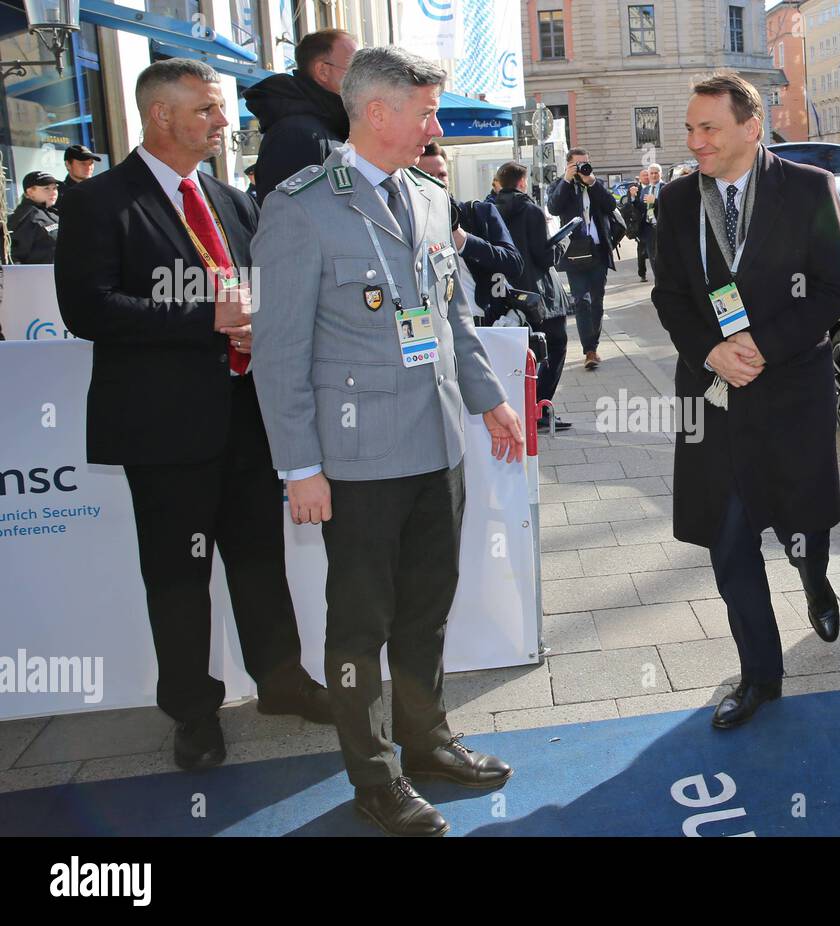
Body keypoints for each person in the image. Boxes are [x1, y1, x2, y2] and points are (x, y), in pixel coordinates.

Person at [251, 46, 525, 838]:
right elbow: (278, 354)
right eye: (426, 113)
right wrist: (301, 466)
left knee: (426, 611)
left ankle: (428, 739)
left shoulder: (430, 198)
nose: (435, 128)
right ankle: (376, 778)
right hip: (357, 460)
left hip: (437, 446)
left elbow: (452, 320)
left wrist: (490, 402)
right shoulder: (301, 207)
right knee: (360, 627)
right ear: (377, 113)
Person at [54, 59, 331, 772]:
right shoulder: (100, 201)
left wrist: (252, 326)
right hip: (163, 428)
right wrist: (207, 318)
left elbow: (254, 290)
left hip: (245, 415)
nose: (221, 122)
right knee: (179, 576)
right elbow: (87, 309)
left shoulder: (228, 199)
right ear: (160, 116)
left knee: (260, 560)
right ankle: (193, 711)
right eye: (206, 110)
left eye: (220, 109)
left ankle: (283, 682)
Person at [652, 72, 840, 730]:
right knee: (729, 541)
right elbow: (671, 297)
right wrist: (710, 352)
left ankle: (815, 575)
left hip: (791, 390)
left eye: (707, 127)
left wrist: (764, 346)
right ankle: (761, 676)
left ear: (750, 127)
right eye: (689, 128)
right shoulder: (679, 201)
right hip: (714, 398)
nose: (694, 140)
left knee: (802, 521)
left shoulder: (808, 189)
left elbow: (833, 291)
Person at [494, 160, 570, 432]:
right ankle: (539, 409)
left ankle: (520, 407)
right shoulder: (531, 211)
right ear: (523, 182)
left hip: (507, 292)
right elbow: (544, 256)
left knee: (521, 353)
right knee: (555, 346)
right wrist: (562, 242)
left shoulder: (489, 210)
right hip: (540, 294)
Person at [244, 28, 357, 194]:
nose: (363, 77)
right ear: (323, 71)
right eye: (355, 69)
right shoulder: (296, 134)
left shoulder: (328, 123)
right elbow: (290, 215)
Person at [418, 142, 523, 319]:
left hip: (483, 326)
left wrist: (464, 241)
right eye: (428, 175)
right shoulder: (407, 223)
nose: (436, 180)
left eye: (442, 174)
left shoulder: (479, 213)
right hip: (434, 328)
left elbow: (514, 264)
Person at [548, 147, 617, 370]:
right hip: (575, 252)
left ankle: (593, 346)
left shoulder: (594, 184)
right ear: (569, 165)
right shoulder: (561, 185)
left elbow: (611, 205)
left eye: (586, 163)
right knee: (581, 300)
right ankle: (589, 350)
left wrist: (593, 183)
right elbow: (554, 207)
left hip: (597, 249)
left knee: (596, 299)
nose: (582, 168)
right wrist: (567, 180)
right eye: (577, 165)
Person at [9, 172, 60, 263]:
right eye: (46, 188)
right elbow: (14, 256)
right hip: (39, 274)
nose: (53, 192)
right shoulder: (26, 217)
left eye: (55, 188)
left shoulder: (51, 212)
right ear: (30, 192)